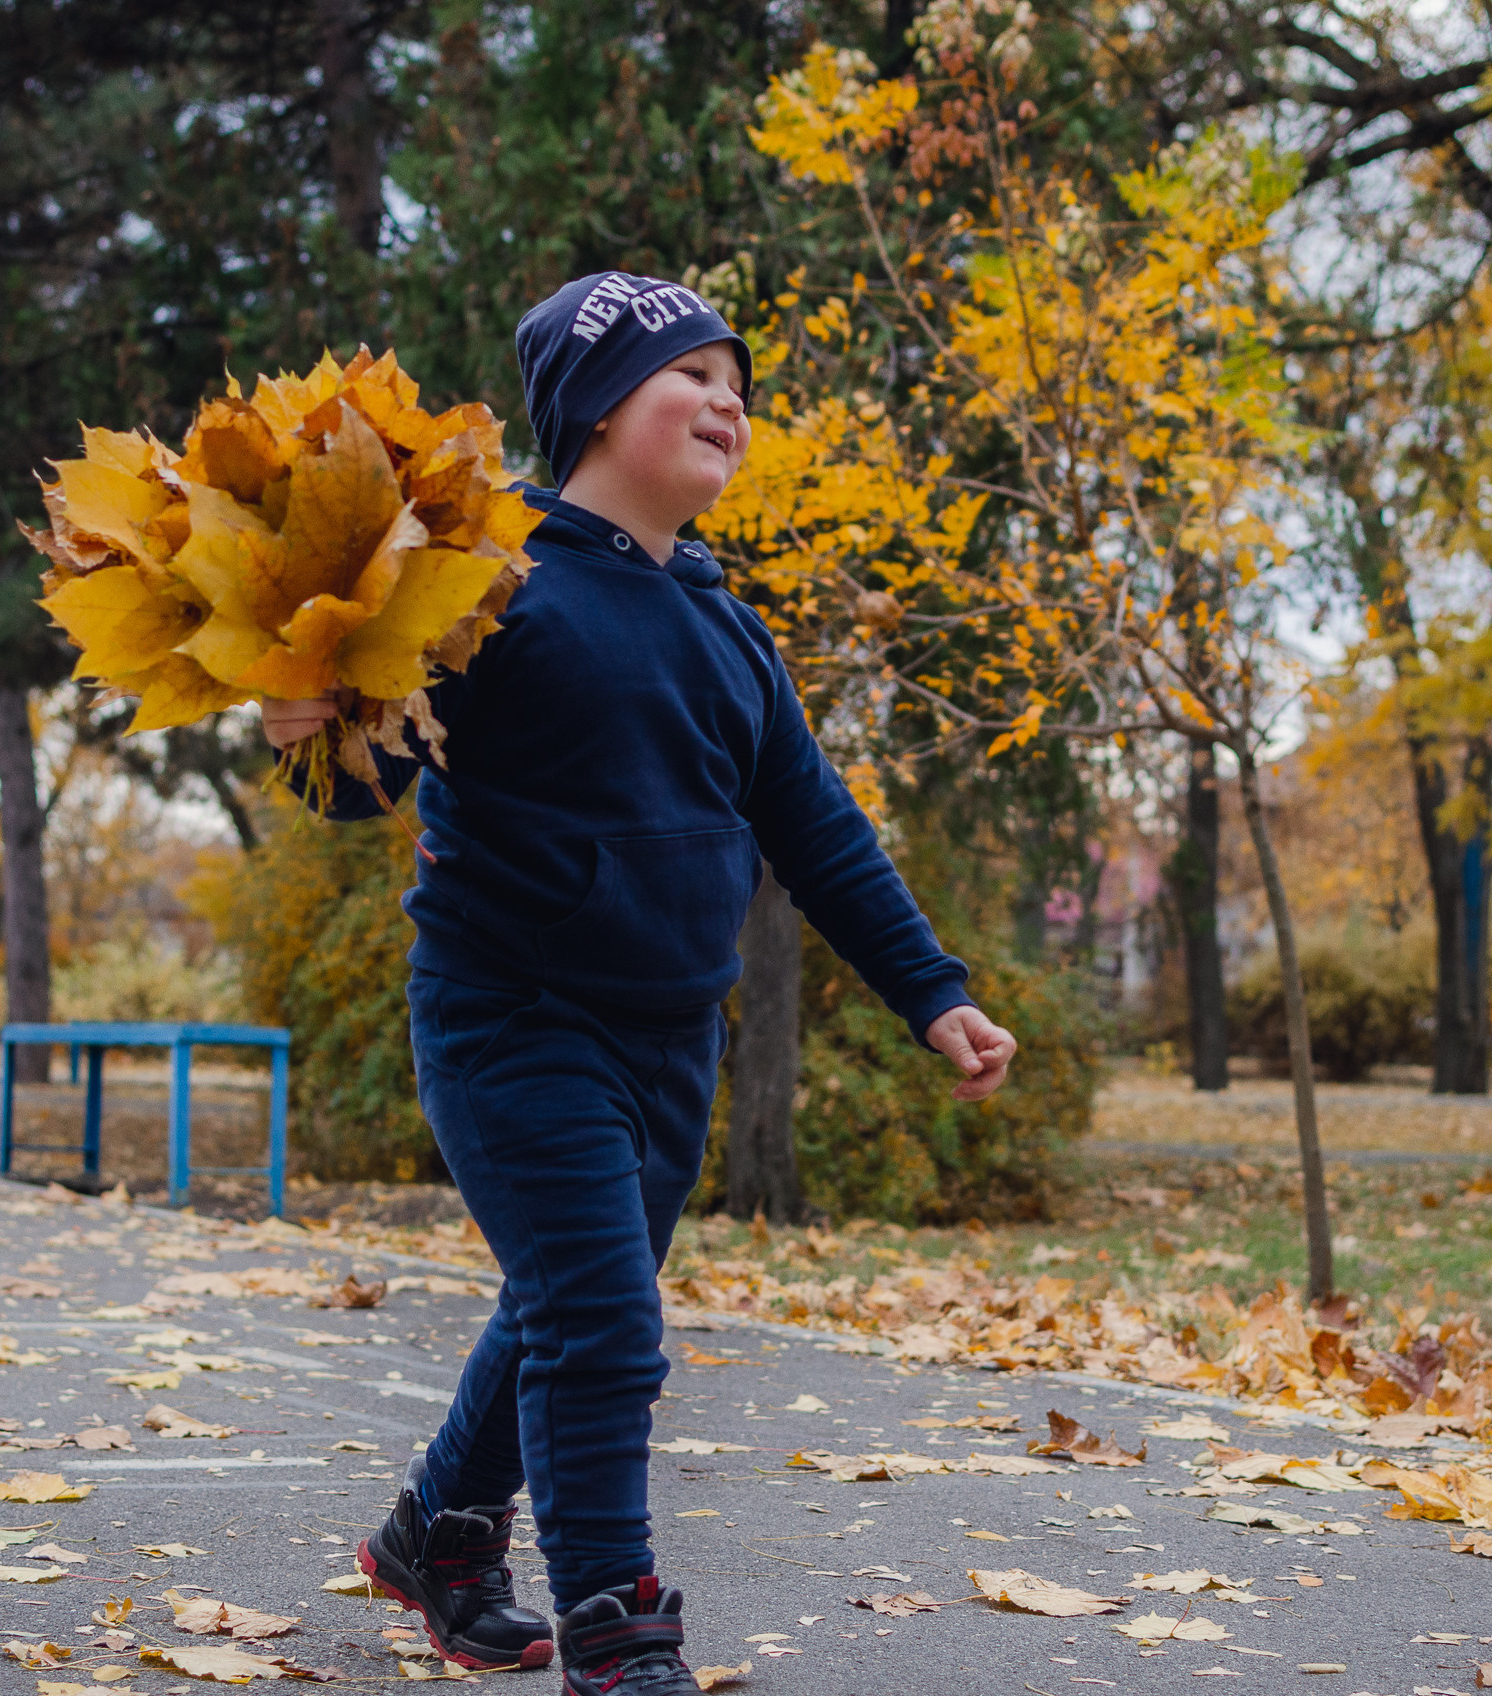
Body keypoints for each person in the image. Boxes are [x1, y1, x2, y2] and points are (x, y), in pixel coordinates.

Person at [264, 271, 1017, 1694]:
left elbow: (819, 833)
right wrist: (312, 713)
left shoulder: (732, 635)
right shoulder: (495, 586)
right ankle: (617, 1626)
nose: (731, 401)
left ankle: (439, 1533)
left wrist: (931, 990)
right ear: (599, 407)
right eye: (695, 374)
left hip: (674, 1042)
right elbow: (368, 779)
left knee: (562, 1300)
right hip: (512, 1019)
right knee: (603, 1320)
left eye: (740, 382)